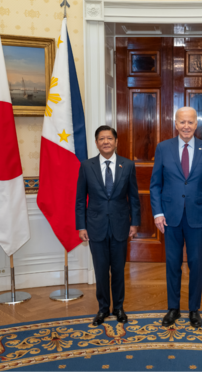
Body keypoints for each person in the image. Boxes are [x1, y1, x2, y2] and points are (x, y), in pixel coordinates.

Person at [150, 107, 202, 328]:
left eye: (190, 122)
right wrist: (158, 213)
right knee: (172, 263)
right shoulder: (163, 148)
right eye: (182, 122)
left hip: (198, 218)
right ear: (175, 124)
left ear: (197, 124)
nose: (186, 126)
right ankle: (173, 308)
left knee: (196, 264)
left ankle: (194, 309)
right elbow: (155, 185)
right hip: (170, 217)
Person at [75, 125, 141, 326]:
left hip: (121, 226)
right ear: (96, 143)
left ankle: (119, 308)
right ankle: (103, 309)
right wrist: (81, 226)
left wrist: (135, 223)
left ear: (116, 141)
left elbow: (134, 198)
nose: (106, 142)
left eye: (109, 138)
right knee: (101, 270)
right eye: (101, 138)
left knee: (119, 270)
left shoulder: (127, 165)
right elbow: (80, 200)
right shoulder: (87, 166)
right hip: (96, 227)